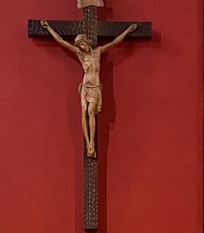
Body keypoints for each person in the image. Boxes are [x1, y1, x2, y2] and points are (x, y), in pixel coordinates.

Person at [39, 19, 137, 158]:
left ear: (87, 42)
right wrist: (48, 28)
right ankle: (88, 144)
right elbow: (61, 41)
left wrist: (128, 31)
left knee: (91, 113)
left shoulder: (97, 52)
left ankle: (92, 142)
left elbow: (115, 42)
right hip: (85, 86)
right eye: (79, 46)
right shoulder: (80, 54)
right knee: (83, 111)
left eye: (82, 44)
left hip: (95, 87)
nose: (82, 48)